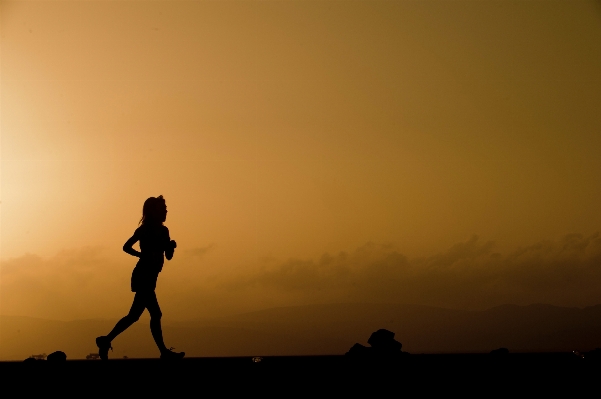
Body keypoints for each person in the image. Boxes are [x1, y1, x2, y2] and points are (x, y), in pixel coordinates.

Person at [95, 195, 184, 360]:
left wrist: (171, 247)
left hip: (152, 276)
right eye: (162, 209)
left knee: (136, 315)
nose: (165, 212)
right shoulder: (144, 229)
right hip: (143, 275)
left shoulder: (164, 231)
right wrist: (142, 255)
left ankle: (106, 340)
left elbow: (168, 256)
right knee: (153, 314)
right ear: (153, 211)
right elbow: (126, 247)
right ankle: (163, 352)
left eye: (166, 209)